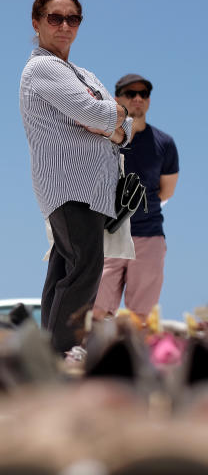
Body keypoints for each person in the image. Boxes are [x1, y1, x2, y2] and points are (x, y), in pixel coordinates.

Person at [19, 0, 133, 354]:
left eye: (73, 18)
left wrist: (113, 118)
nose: (64, 25)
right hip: (69, 187)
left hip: (91, 189)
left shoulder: (83, 74)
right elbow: (97, 114)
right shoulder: (42, 68)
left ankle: (50, 351)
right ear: (36, 24)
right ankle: (65, 348)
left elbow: (125, 129)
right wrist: (109, 116)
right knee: (85, 265)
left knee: (63, 270)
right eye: (55, 18)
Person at [93, 74, 179, 320]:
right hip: (108, 234)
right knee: (98, 312)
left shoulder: (165, 143)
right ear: (118, 98)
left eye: (144, 94)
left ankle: (136, 359)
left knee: (140, 318)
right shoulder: (104, 139)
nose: (138, 99)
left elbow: (167, 191)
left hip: (148, 236)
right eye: (131, 94)